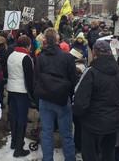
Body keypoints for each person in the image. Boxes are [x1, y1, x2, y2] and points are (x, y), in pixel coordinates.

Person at [73, 40, 119, 161]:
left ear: (93, 53)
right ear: (109, 53)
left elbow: (80, 101)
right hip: (114, 122)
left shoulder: (91, 71)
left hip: (93, 123)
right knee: (108, 153)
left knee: (90, 155)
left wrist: (80, 115)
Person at [34, 27, 78, 161]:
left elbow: (36, 79)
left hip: (45, 99)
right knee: (66, 133)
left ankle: (48, 158)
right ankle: (70, 158)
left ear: (45, 40)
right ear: (57, 39)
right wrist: (68, 95)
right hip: (62, 99)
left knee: (47, 132)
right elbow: (74, 79)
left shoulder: (40, 57)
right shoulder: (67, 56)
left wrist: (38, 99)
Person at [7, 35, 33, 157]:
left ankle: (13, 142)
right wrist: (32, 95)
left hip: (11, 89)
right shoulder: (25, 58)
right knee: (22, 119)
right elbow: (29, 79)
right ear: (27, 45)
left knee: (14, 116)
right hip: (22, 91)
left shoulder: (11, 55)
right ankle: (19, 148)